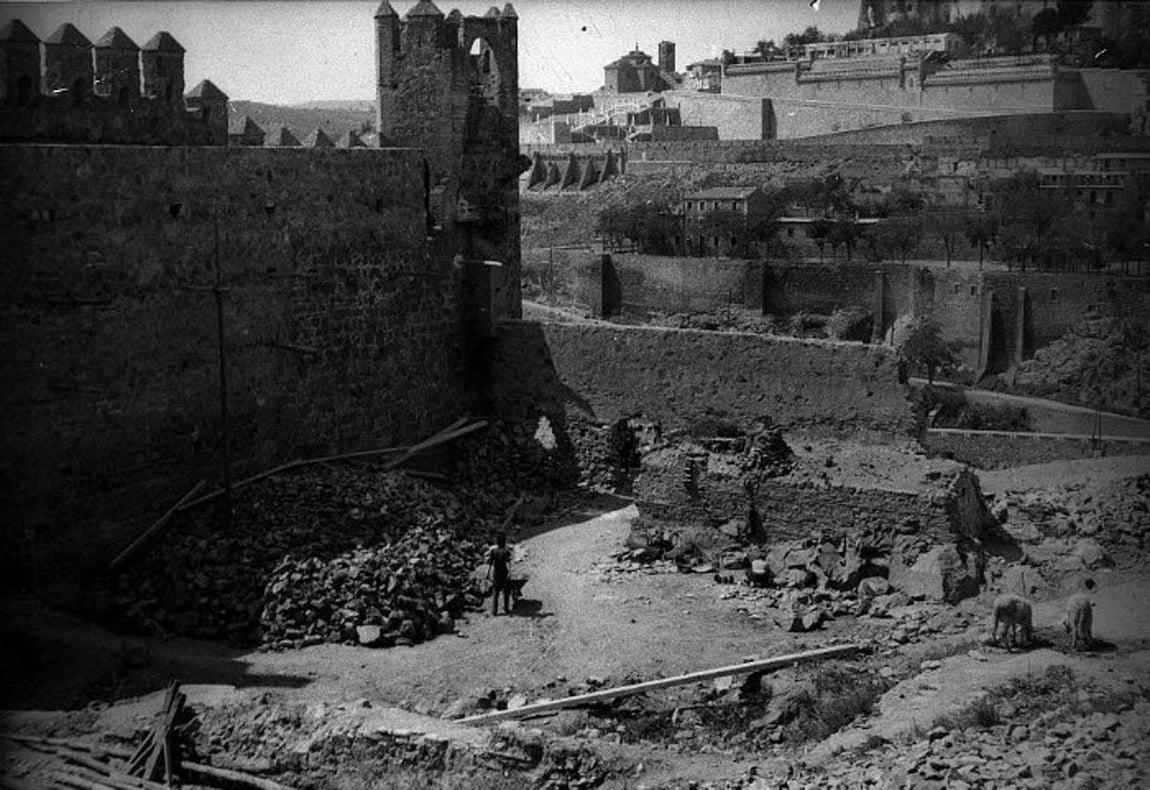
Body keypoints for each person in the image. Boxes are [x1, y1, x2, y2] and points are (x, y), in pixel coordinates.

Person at [485, 533, 513, 616]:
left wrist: (488, 573)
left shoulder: (493, 551)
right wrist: (510, 573)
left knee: (495, 592)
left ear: (497, 542)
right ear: (504, 541)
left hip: (496, 573)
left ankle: (494, 611)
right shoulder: (506, 551)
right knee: (506, 592)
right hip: (504, 573)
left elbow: (490, 563)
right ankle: (506, 609)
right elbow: (509, 563)